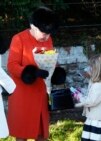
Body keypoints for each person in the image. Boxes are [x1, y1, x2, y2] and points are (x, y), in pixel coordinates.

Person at [7, 6, 65, 141]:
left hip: (40, 94)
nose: (47, 37)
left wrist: (56, 72)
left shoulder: (48, 39)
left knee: (42, 133)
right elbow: (11, 65)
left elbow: (51, 58)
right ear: (32, 26)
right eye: (44, 33)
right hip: (23, 94)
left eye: (49, 34)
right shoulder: (18, 38)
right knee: (22, 133)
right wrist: (29, 72)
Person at [75, 54, 101, 141]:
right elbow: (92, 94)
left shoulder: (100, 85)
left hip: (98, 123)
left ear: (98, 70)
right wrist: (82, 92)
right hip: (95, 120)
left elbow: (91, 101)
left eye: (90, 67)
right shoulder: (98, 83)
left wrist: (79, 97)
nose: (88, 69)